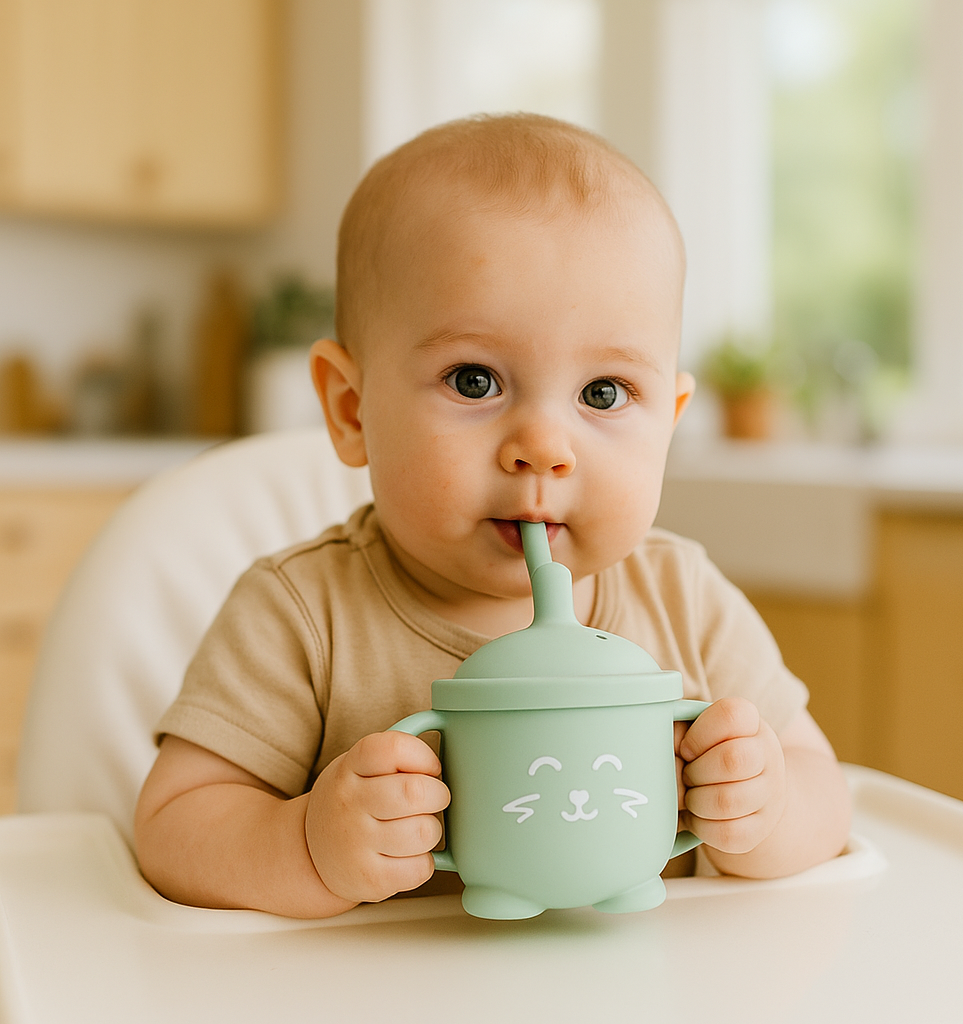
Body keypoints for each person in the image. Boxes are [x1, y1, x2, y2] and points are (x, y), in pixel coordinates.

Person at [134, 114, 851, 918]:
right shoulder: (301, 616)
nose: (543, 448)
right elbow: (173, 826)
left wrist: (764, 809)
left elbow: (825, 791)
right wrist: (306, 844)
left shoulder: (684, 600)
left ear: (669, 424)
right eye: (474, 380)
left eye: (604, 393)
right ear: (351, 408)